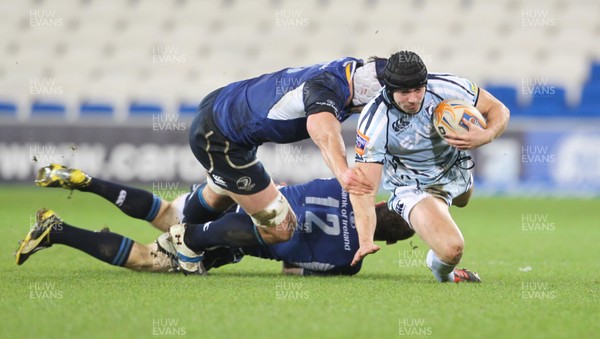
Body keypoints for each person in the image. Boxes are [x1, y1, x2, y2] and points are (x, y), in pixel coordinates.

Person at [16, 166, 415, 276]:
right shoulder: (350, 264)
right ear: (391, 242)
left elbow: (299, 186)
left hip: (252, 194)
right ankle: (59, 230)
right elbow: (294, 268)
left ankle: (90, 183)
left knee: (166, 211)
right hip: (239, 237)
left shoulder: (347, 188)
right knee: (147, 258)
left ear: (377, 206)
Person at [184, 56, 387, 266]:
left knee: (216, 196)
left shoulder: (350, 72)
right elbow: (323, 130)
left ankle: (179, 234)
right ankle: (186, 240)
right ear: (368, 90)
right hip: (222, 136)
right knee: (281, 227)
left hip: (223, 108)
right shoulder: (327, 88)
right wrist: (343, 171)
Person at [349, 51, 510, 283]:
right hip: (412, 187)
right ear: (389, 89)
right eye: (404, 92)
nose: (413, 99)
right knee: (452, 249)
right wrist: (365, 239)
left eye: (418, 89)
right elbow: (365, 186)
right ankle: (446, 273)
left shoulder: (446, 87)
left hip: (455, 168)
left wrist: (487, 135)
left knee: (463, 200)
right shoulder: (375, 120)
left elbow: (498, 109)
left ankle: (437, 212)